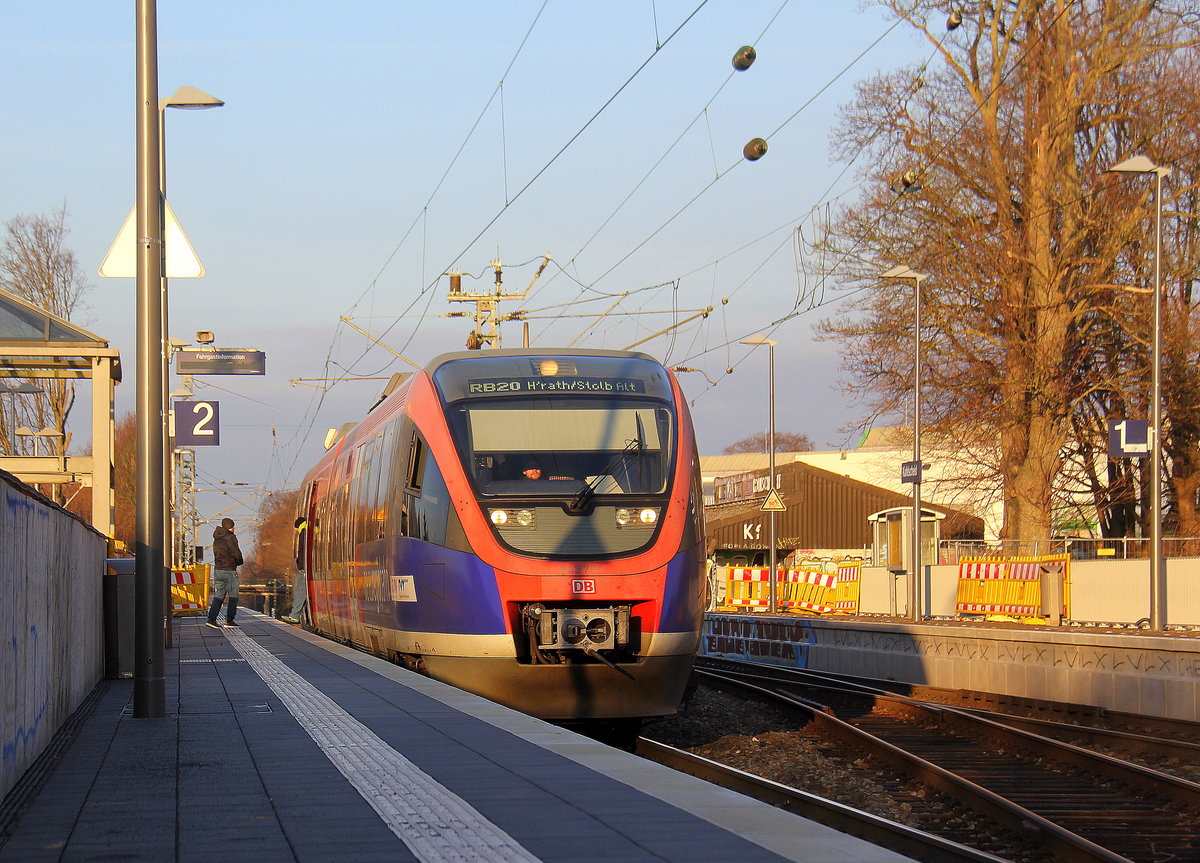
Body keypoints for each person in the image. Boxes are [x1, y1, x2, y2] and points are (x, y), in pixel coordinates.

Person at [206, 517, 244, 629]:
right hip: (229, 570)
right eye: (233, 526)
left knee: (219, 595)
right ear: (230, 527)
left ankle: (211, 619)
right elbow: (236, 552)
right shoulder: (230, 537)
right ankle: (229, 620)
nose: (234, 528)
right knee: (233, 596)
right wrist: (240, 561)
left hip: (218, 570)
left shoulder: (216, 539)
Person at [281, 516, 308, 625]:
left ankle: (294, 616)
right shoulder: (308, 530)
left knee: (300, 591)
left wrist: (300, 564)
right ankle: (298, 614)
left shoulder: (303, 533)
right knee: (302, 591)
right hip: (307, 567)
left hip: (305, 568)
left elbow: (302, 551)